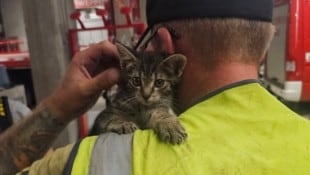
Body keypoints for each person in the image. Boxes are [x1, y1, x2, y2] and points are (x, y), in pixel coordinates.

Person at [1, 0, 310, 174]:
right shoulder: (304, 139)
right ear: (263, 47)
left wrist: (59, 106)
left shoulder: (90, 162)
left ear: (162, 44)